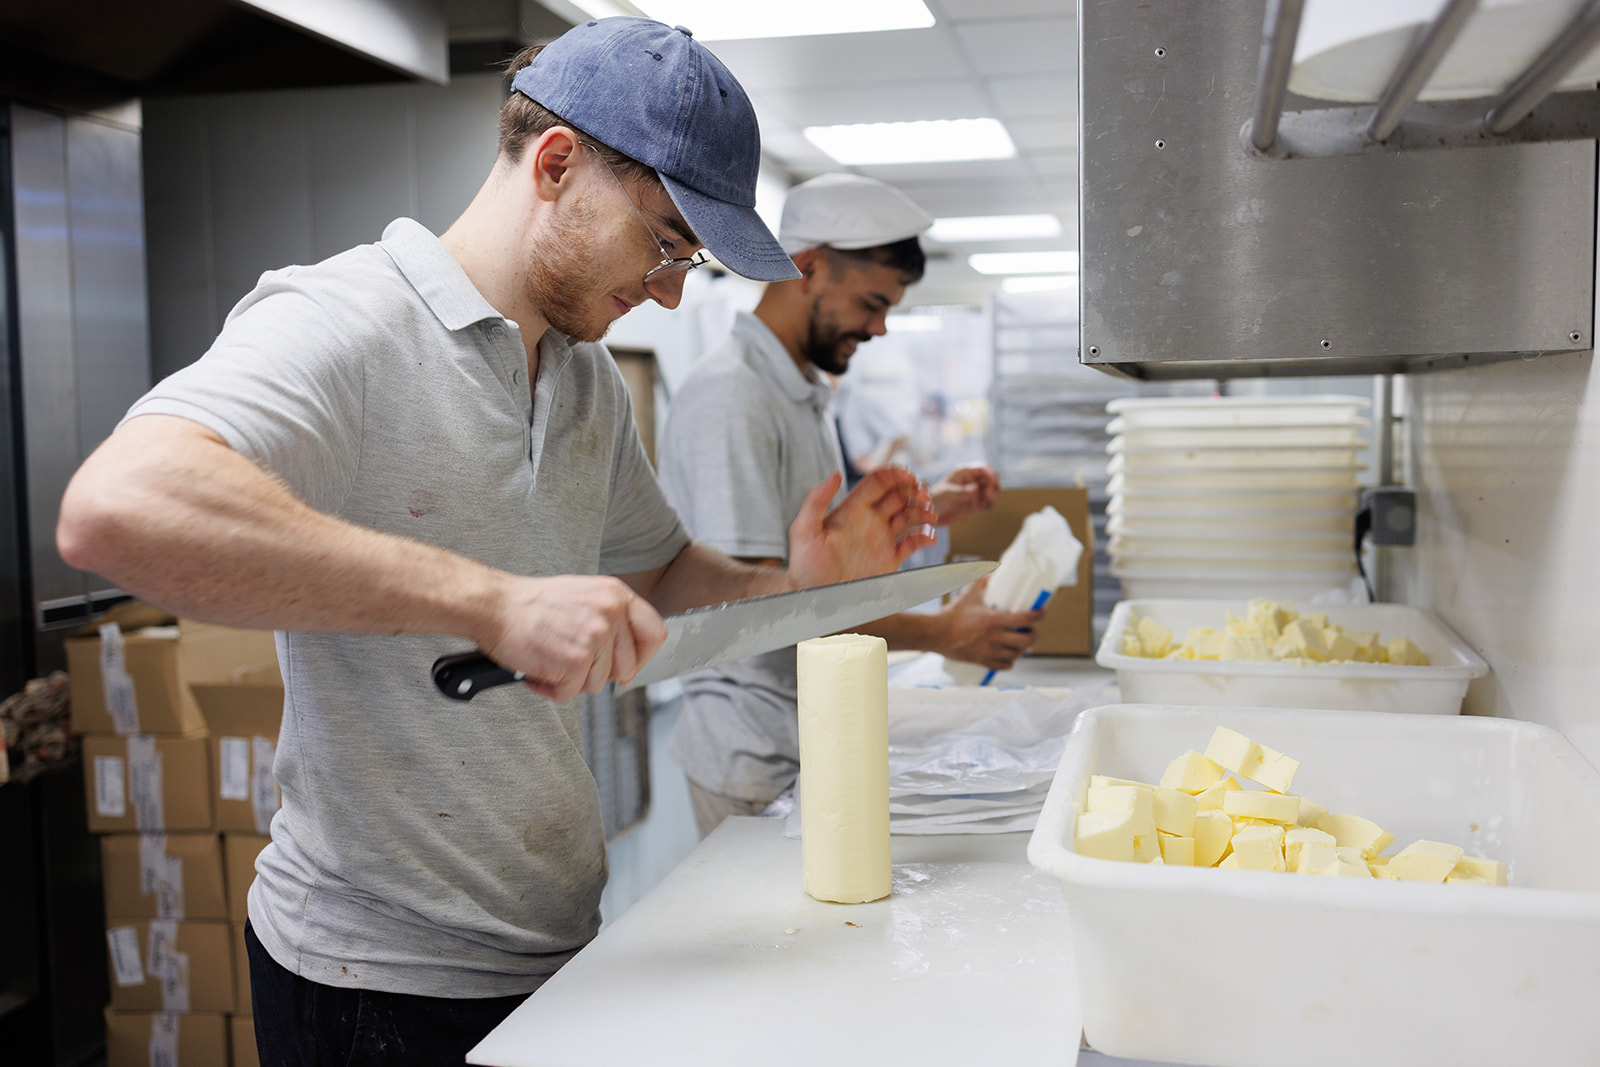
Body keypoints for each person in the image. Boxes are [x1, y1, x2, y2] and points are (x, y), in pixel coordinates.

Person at [55, 19, 938, 1065]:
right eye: (663, 242)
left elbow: (660, 570)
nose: (665, 289)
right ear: (557, 165)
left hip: (548, 941)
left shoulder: (581, 375)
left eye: (686, 264)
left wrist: (795, 581)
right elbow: (116, 505)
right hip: (375, 981)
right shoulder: (347, 319)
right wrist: (491, 600)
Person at [656, 173, 1046, 839]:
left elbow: (818, 559)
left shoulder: (798, 391)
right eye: (872, 302)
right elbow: (759, 612)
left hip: (806, 734)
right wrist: (944, 632)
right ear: (809, 267)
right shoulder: (734, 399)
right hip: (758, 760)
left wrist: (920, 514)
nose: (881, 327)